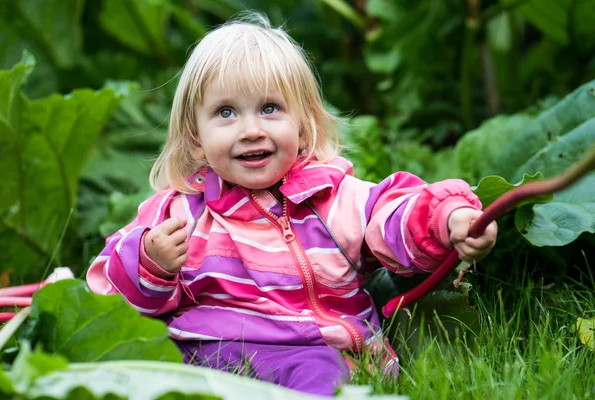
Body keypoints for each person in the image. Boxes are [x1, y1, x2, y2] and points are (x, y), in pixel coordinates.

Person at [86, 12, 498, 397]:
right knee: (151, 363)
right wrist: (150, 264)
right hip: (209, 350)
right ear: (196, 137)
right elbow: (108, 289)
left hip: (308, 350)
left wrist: (450, 217)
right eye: (226, 112)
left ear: (303, 126)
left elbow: (394, 213)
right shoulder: (179, 212)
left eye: (270, 109)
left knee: (323, 373)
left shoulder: (332, 200)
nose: (250, 130)